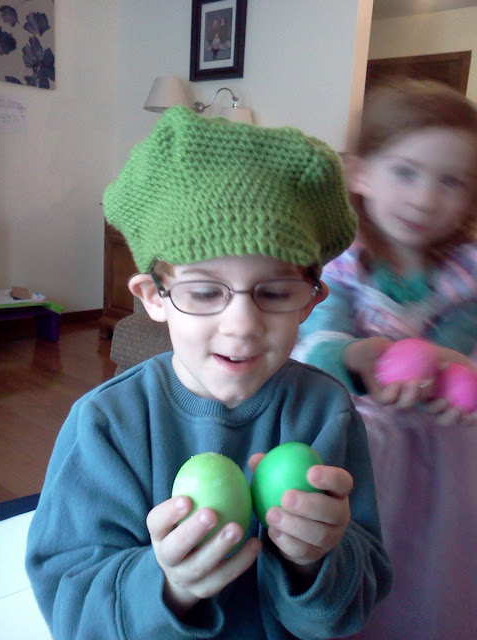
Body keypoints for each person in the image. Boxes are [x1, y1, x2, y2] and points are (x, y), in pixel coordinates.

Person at [26, 106, 392, 640]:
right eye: (203, 291)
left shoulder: (325, 412)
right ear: (154, 297)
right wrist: (169, 586)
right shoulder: (107, 423)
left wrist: (316, 561)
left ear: (311, 301)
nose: (241, 325)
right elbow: (71, 604)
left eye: (274, 292)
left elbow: (357, 597)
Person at [292, 78, 477, 639]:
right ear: (360, 174)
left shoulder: (464, 273)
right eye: (406, 172)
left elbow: (464, 346)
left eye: (451, 181)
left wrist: (450, 365)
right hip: (362, 447)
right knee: (366, 545)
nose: (425, 198)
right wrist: (356, 354)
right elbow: (316, 346)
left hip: (440, 451)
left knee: (429, 559)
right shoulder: (345, 266)